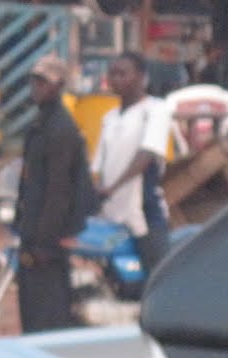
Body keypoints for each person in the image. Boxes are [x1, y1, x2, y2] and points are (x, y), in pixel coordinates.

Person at [14, 56, 89, 333]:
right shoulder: (40, 124)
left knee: (48, 312)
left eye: (43, 82)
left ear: (58, 87)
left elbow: (58, 191)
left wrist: (45, 242)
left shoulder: (61, 129)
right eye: (34, 81)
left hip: (48, 236)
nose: (36, 87)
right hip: (32, 228)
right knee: (31, 307)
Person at [93, 51, 173, 280]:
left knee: (157, 276)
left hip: (143, 211)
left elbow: (146, 154)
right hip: (112, 213)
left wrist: (113, 187)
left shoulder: (155, 110)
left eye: (123, 74)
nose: (115, 79)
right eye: (112, 74)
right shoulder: (109, 118)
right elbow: (98, 166)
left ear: (141, 78)